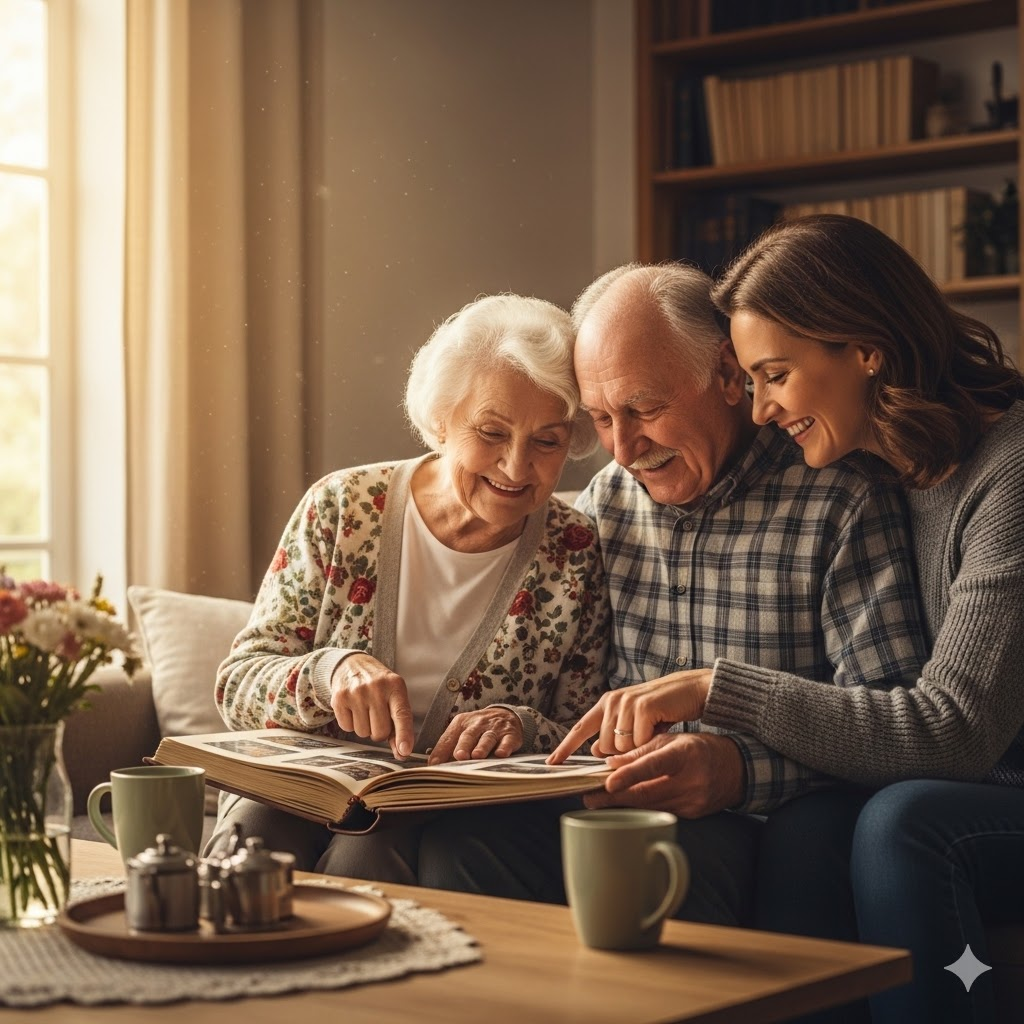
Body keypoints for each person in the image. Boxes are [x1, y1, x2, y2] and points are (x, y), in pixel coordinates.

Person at [557, 216, 1024, 1024]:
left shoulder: (1006, 477)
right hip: (974, 777)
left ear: (865, 350)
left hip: (990, 779)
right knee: (835, 827)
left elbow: (951, 732)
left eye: (774, 374)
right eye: (750, 378)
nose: (762, 408)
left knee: (898, 824)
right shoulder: (896, 466)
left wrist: (717, 689)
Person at [419, 262, 927, 937]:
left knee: (677, 870)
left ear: (726, 375)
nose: (624, 448)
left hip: (754, 820)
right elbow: (569, 687)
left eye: (644, 410)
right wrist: (519, 721)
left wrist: (740, 771)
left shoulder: (842, 501)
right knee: (461, 850)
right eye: (601, 419)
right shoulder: (606, 503)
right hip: (608, 801)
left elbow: (892, 723)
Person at [207, 292, 609, 883]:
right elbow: (236, 685)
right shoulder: (342, 507)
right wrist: (331, 671)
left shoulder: (574, 553)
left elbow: (582, 733)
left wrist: (520, 724)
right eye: (492, 432)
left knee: (364, 857)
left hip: (446, 814)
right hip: (296, 791)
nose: (517, 466)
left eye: (546, 441)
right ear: (443, 419)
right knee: (255, 846)